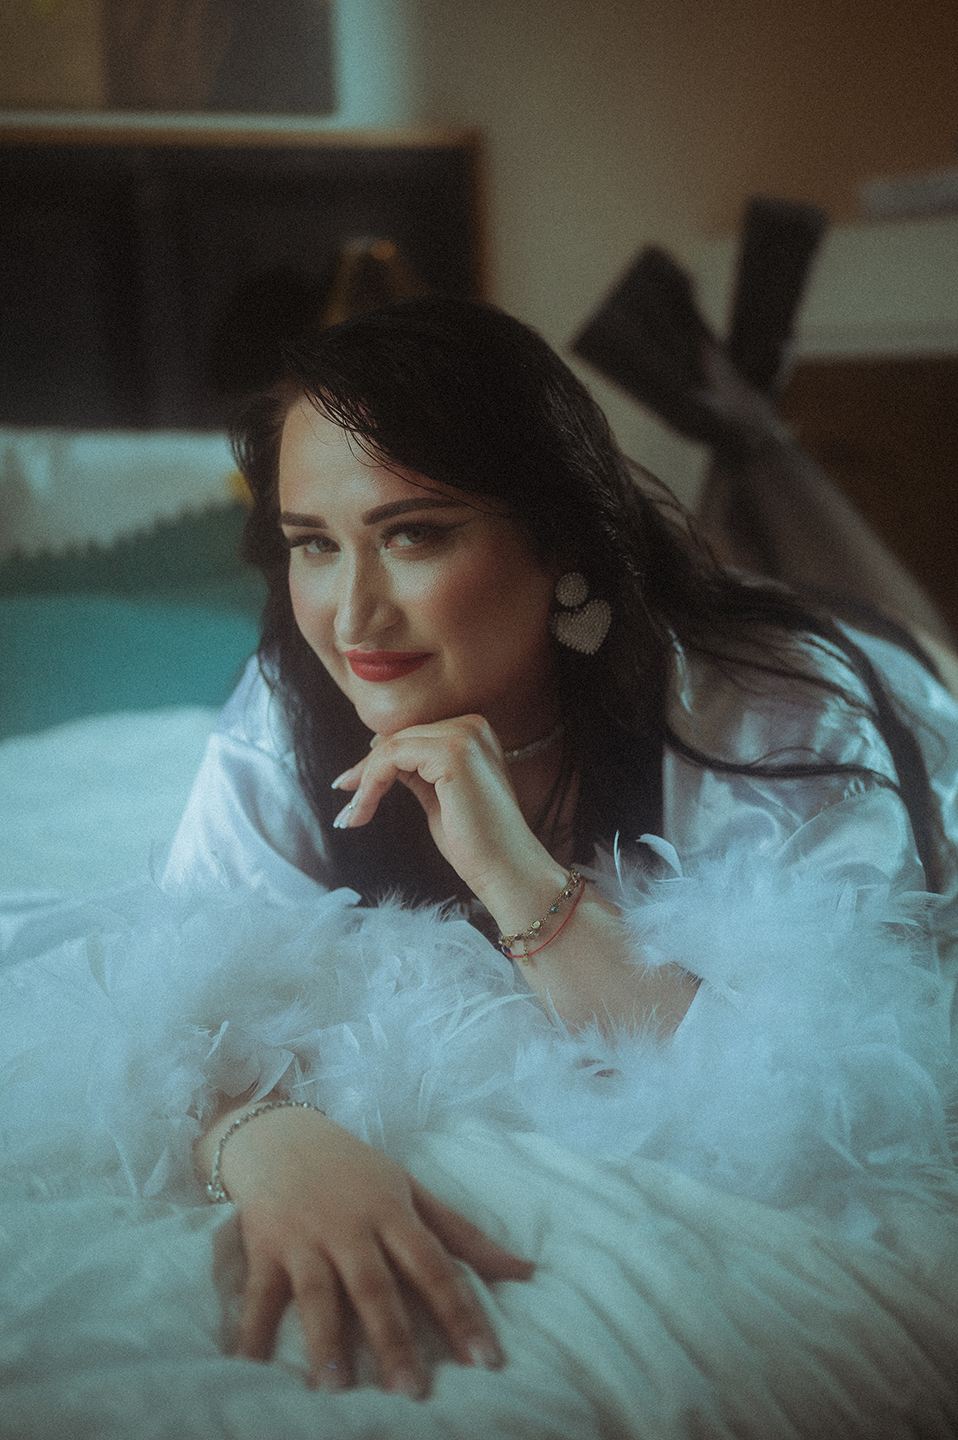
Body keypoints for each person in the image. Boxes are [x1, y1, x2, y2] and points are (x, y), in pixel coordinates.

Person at [163, 295, 958, 1401]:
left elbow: (817, 1107)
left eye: (413, 534)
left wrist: (515, 877)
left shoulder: (780, 718)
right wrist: (263, 1139)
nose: (352, 616)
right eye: (314, 546)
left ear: (562, 540)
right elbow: (175, 1005)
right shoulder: (287, 704)